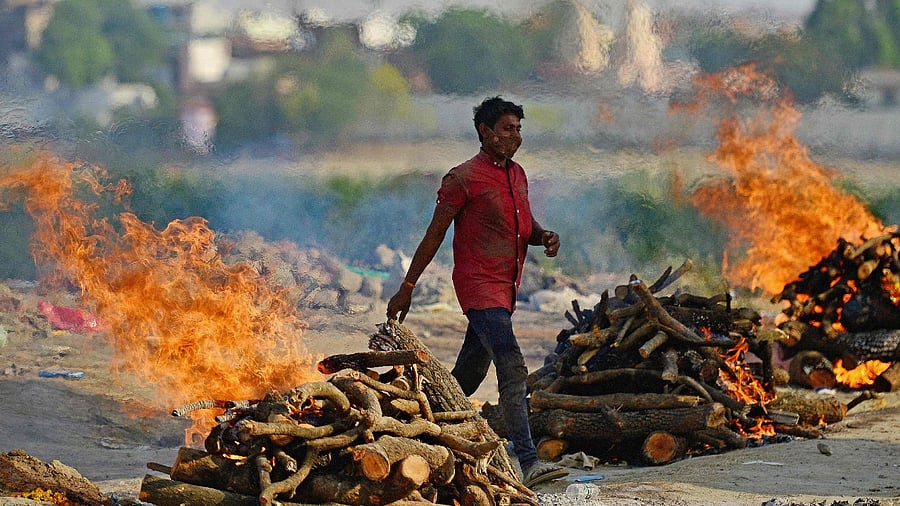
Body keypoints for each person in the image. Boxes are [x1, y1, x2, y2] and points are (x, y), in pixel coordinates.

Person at [386, 96, 569, 488]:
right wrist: (407, 286)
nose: (515, 136)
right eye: (507, 129)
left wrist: (545, 237)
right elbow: (435, 233)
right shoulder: (462, 178)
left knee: (465, 379)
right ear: (485, 132)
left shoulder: (517, 174)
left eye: (518, 129)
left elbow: (524, 225)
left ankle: (411, 427)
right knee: (512, 364)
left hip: (506, 290)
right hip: (478, 286)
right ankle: (529, 461)